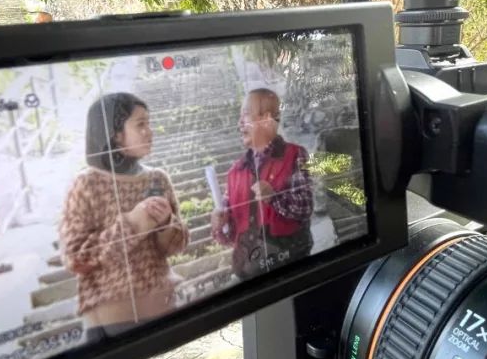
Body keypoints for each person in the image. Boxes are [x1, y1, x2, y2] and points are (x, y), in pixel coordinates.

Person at [61, 92, 189, 339]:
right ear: (115, 135)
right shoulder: (85, 185)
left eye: (149, 123)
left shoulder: (158, 178)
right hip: (111, 320)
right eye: (141, 124)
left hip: (164, 306)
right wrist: (133, 224)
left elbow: (177, 245)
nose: (150, 132)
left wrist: (166, 224)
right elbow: (75, 258)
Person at [211, 88, 314, 280]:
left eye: (245, 114)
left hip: (289, 267)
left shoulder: (295, 155)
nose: (239, 122)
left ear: (266, 119)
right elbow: (230, 234)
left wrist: (274, 197)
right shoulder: (235, 172)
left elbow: (305, 207)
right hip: (248, 273)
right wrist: (220, 225)